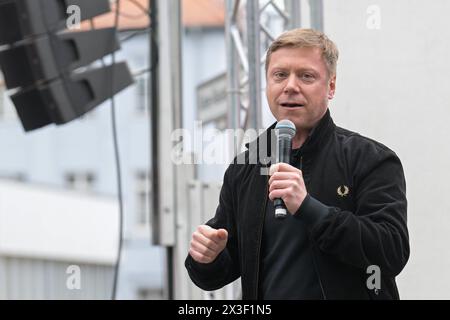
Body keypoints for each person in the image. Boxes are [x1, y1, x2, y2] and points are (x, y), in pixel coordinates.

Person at [185, 28, 409, 300]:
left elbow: (390, 252)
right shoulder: (246, 167)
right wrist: (206, 258)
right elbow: (221, 270)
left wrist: (310, 208)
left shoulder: (369, 159)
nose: (290, 86)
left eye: (306, 76)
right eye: (280, 75)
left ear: (331, 87)